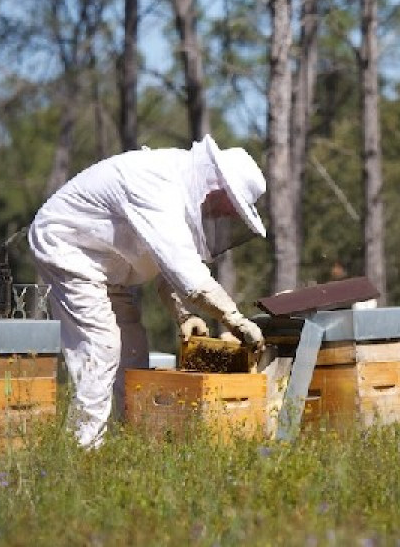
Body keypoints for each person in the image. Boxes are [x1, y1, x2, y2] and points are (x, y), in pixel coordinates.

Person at [29, 135, 266, 448]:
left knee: (132, 348)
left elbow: (165, 263)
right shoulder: (158, 182)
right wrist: (234, 318)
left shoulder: (179, 190)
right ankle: (83, 449)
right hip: (68, 247)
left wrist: (182, 315)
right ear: (217, 187)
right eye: (230, 206)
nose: (225, 216)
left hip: (105, 263)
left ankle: (127, 441)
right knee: (102, 346)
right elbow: (188, 275)